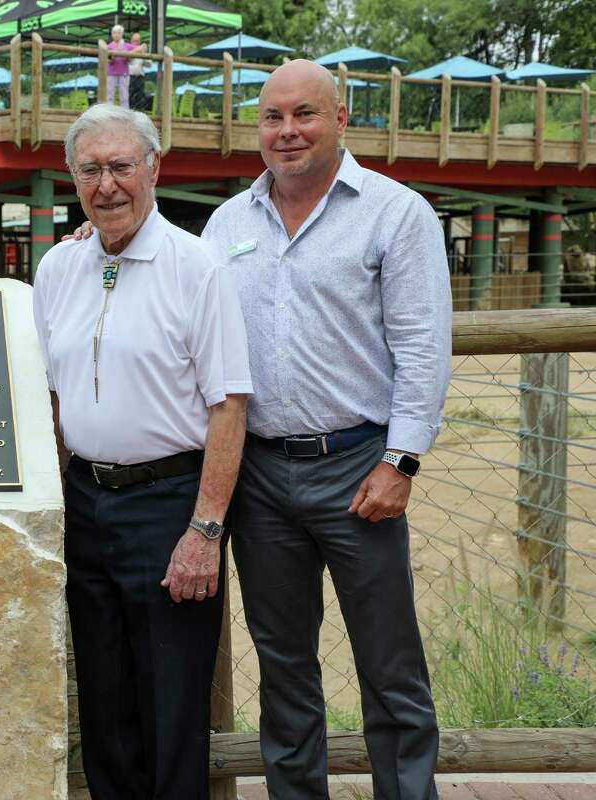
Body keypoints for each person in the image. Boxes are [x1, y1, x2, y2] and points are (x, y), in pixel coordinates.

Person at [202, 60, 451, 799]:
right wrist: (101, 236)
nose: (287, 131)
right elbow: (177, 299)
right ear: (258, 130)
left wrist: (401, 460)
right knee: (282, 670)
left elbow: (422, 343)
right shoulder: (225, 223)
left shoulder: (395, 213)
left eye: (305, 114)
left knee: (389, 664)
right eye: (273, 118)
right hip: (260, 477)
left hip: (359, 466)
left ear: (341, 119)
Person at [34, 103, 252, 800]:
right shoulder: (60, 267)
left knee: (171, 710)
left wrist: (205, 530)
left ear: (154, 168)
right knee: (103, 704)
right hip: (84, 505)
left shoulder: (198, 268)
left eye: (122, 166)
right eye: (90, 169)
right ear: (73, 177)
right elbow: (51, 396)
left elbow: (229, 406)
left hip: (169, 508)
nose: (107, 186)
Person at [105, 25, 136, 107]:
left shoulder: (127, 45)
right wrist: (116, 53)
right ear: (112, 34)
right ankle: (108, 112)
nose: (116, 35)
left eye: (119, 33)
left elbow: (141, 48)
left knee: (124, 95)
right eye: (114, 33)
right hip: (111, 73)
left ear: (122, 34)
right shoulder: (108, 46)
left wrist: (129, 55)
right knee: (109, 94)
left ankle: (125, 113)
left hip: (124, 73)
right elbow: (108, 60)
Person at [128, 32, 149, 111]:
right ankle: (129, 112)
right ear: (131, 41)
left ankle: (140, 113)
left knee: (140, 96)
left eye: (138, 40)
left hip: (140, 77)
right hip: (130, 76)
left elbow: (149, 64)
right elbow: (126, 60)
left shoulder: (143, 51)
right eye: (134, 40)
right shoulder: (127, 49)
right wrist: (135, 51)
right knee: (130, 95)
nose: (136, 42)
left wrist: (143, 55)